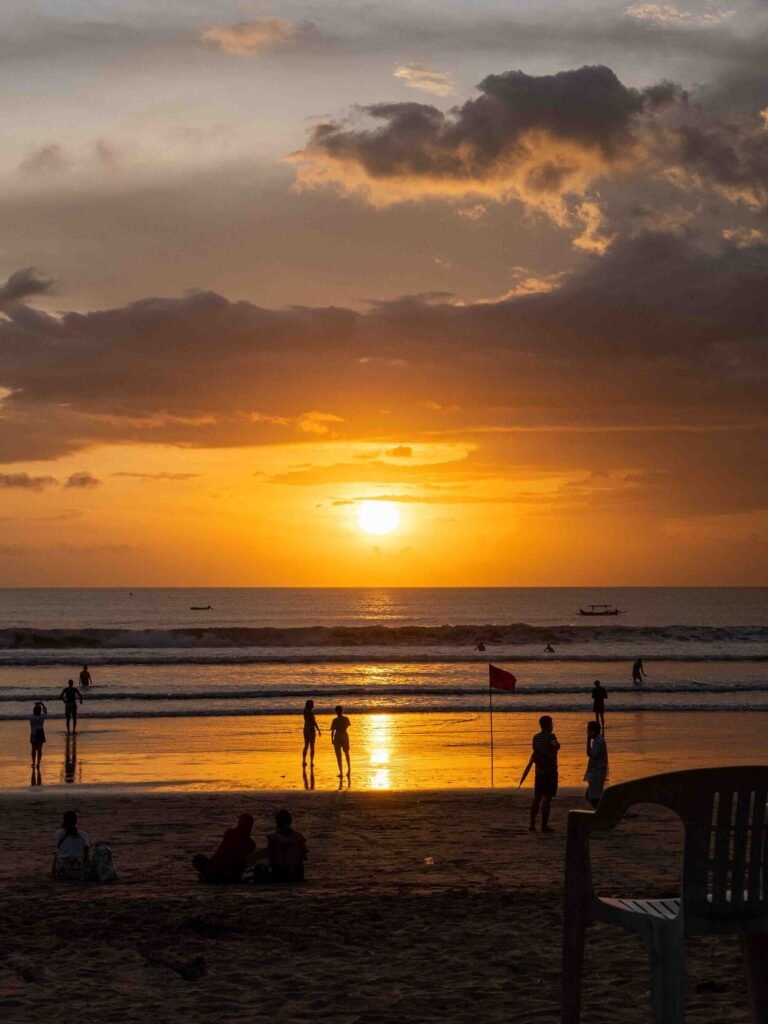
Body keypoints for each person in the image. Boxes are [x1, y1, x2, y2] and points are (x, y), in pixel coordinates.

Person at [522, 715, 561, 833]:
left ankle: (532, 824)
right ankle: (544, 825)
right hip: (550, 772)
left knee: (537, 798)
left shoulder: (535, 737)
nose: (552, 726)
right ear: (548, 725)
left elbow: (535, 750)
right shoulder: (551, 736)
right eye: (551, 723)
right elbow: (556, 746)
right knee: (547, 799)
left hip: (538, 772)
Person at [193, 813, 256, 883]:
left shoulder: (229, 833)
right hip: (227, 874)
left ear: (238, 823)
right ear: (251, 826)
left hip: (214, 870)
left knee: (198, 858)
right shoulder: (250, 843)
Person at [267, 809, 307, 883]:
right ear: (290, 821)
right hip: (296, 875)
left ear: (277, 821)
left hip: (279, 875)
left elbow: (270, 858)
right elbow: (304, 856)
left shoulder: (273, 838)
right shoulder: (299, 837)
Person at [53, 810, 90, 881]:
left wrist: (53, 872)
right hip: (77, 870)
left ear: (64, 821)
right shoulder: (83, 834)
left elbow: (56, 853)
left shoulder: (58, 834)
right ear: (76, 821)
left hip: (62, 871)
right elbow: (86, 857)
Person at [584, 721, 608, 808]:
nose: (587, 732)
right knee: (591, 796)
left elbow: (589, 754)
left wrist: (588, 740)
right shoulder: (598, 740)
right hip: (596, 771)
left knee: (593, 797)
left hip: (597, 772)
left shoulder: (598, 741)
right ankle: (600, 811)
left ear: (593, 731)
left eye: (588, 730)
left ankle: (599, 812)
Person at [330, 705, 351, 778]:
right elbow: (347, 726)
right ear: (342, 711)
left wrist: (332, 739)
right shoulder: (346, 719)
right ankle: (349, 770)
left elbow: (332, 731)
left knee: (338, 755)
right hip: (344, 736)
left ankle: (341, 772)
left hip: (337, 737)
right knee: (346, 753)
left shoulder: (335, 720)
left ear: (336, 711)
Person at [302, 699, 321, 767]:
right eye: (312, 704)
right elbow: (313, 722)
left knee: (306, 745)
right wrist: (318, 729)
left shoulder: (305, 711)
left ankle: (304, 760)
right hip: (311, 730)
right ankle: (311, 762)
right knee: (312, 746)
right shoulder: (310, 712)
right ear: (309, 705)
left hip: (306, 729)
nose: (313, 705)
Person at [29, 701, 47, 767]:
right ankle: (38, 763)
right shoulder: (42, 717)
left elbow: (32, 727)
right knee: (39, 749)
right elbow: (45, 712)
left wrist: (33, 735)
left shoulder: (32, 717)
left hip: (34, 732)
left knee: (33, 749)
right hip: (40, 732)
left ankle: (33, 762)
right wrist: (42, 704)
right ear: (40, 711)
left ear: (34, 711)